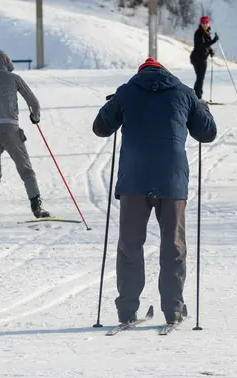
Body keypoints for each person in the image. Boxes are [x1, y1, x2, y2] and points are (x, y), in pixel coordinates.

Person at [92, 58, 217, 325]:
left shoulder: (127, 91)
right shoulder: (185, 92)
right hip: (171, 180)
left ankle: (126, 312)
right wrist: (202, 109)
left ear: (141, 74)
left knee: (130, 246)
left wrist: (113, 104)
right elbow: (207, 133)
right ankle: (172, 311)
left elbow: (101, 128)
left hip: (134, 181)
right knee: (173, 246)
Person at [0, 49, 48, 225]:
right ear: (7, 64)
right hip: (11, 130)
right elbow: (34, 103)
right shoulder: (14, 79)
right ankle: (36, 205)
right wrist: (34, 117)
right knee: (26, 169)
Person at [190, 16, 218, 100]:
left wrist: (211, 51)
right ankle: (197, 97)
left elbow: (207, 46)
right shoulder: (198, 33)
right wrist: (214, 41)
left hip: (203, 58)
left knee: (201, 78)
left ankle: (197, 96)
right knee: (200, 78)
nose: (205, 25)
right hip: (197, 58)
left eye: (206, 23)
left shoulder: (207, 32)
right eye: (203, 23)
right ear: (201, 23)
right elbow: (202, 45)